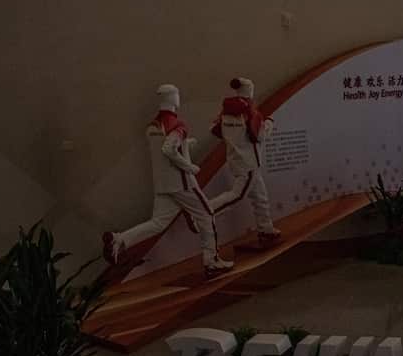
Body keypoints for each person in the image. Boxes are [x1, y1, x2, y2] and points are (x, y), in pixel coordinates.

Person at [102, 85, 233, 279]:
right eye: (177, 95)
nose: (179, 98)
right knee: (206, 215)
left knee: (158, 223)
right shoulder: (177, 124)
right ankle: (211, 260)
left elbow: (163, 150)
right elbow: (169, 150)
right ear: (173, 98)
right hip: (182, 183)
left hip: (163, 185)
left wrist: (186, 145)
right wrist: (190, 167)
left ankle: (119, 239)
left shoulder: (152, 126)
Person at [207, 77, 281, 247]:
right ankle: (204, 210)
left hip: (236, 160)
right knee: (237, 195)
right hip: (249, 163)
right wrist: (269, 122)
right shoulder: (251, 113)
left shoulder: (225, 113)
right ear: (250, 92)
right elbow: (260, 136)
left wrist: (234, 140)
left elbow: (214, 129)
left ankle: (266, 229)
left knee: (260, 197)